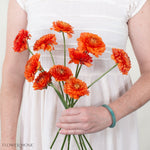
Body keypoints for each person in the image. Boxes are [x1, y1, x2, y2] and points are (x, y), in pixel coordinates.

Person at [0, 0, 150, 149]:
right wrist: (7, 144)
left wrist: (110, 113)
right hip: (42, 127)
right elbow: (13, 73)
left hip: (109, 129)